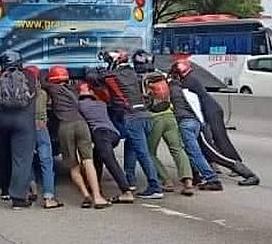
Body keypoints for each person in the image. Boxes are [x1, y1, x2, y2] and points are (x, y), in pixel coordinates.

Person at [86, 50, 163, 199]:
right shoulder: (133, 73)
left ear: (114, 62)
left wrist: (88, 70)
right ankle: (130, 181)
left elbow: (93, 78)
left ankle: (155, 187)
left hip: (132, 118)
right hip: (146, 116)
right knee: (133, 148)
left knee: (142, 153)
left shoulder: (112, 75)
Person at [171, 59, 260, 186]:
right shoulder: (188, 80)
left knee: (218, 141)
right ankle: (209, 169)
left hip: (210, 111)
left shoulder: (188, 82)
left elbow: (194, 104)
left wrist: (202, 123)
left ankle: (241, 167)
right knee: (206, 146)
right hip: (205, 113)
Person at [42, 66, 109, 209]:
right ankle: (98, 197)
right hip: (81, 124)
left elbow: (41, 81)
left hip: (65, 126)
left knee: (73, 165)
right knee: (88, 161)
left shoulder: (52, 88)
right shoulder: (73, 89)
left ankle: (86, 195)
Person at [133, 50, 194, 196]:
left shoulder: (139, 79)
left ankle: (166, 180)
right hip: (169, 115)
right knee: (177, 149)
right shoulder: (162, 75)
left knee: (149, 152)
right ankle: (188, 182)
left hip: (154, 118)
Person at [76, 82, 135, 204]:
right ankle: (95, 187)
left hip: (101, 134)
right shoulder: (101, 104)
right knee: (97, 156)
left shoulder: (80, 105)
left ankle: (126, 191)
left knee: (109, 161)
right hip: (114, 134)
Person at [0, 50, 37, 209]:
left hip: (2, 121)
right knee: (22, 159)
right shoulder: (30, 76)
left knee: (4, 155)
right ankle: (18, 197)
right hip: (23, 121)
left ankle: (4, 188)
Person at [168, 79, 223, 191]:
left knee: (194, 153)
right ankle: (196, 177)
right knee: (193, 152)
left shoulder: (170, 92)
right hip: (195, 122)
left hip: (185, 123)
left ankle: (212, 179)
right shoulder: (187, 92)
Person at [24, 66, 63, 209]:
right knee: (46, 162)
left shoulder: (23, 93)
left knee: (26, 159)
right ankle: (49, 197)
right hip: (41, 128)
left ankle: (32, 188)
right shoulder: (43, 93)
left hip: (26, 128)